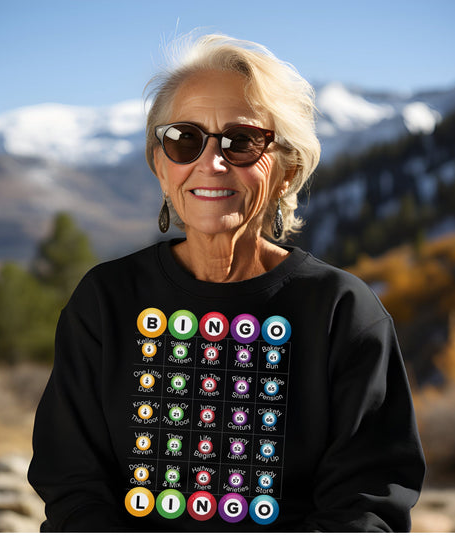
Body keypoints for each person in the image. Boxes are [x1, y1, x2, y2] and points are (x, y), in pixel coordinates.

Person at [28, 33, 425, 532]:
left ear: (286, 171)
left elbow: (367, 503)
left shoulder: (341, 312)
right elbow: (72, 484)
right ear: (160, 165)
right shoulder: (106, 300)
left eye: (242, 142)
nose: (210, 163)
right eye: (184, 139)